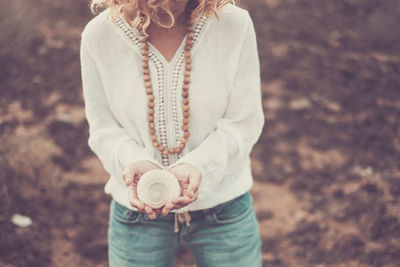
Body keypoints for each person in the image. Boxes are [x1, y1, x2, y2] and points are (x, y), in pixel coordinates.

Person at [80, 0, 265, 266]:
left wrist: (197, 165)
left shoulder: (234, 25)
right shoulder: (100, 35)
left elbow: (243, 122)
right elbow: (103, 128)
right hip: (137, 214)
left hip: (224, 210)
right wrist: (135, 163)